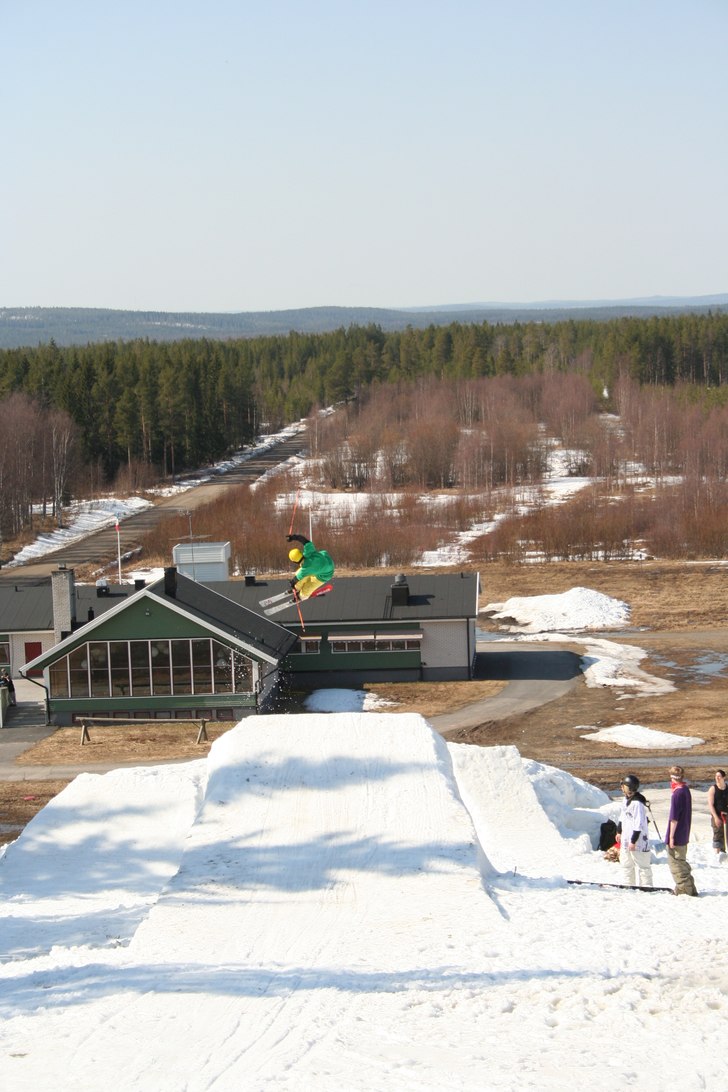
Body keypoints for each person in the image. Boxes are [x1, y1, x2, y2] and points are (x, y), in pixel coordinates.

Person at [666, 765, 699, 896]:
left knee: (676, 864)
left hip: (677, 834)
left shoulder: (677, 794)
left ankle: (685, 889)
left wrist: (671, 837)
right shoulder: (685, 789)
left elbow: (674, 818)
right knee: (682, 862)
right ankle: (689, 887)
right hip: (684, 831)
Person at [617, 774, 653, 888]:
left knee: (643, 865)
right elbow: (622, 817)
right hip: (626, 838)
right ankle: (628, 885)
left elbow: (639, 824)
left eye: (623, 785)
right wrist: (619, 831)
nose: (621, 788)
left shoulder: (637, 803)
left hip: (638, 840)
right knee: (626, 864)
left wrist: (633, 840)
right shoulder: (626, 800)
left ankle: (646, 886)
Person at [286, 534, 335, 601]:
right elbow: (304, 540)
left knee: (306, 589)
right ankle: (297, 587)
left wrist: (292, 584)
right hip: (325, 559)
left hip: (325, 574)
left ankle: (302, 596)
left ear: (295, 562)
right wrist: (293, 537)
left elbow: (297, 578)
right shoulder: (307, 552)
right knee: (300, 575)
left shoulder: (305, 569)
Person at [707, 769, 728, 856]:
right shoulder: (713, 789)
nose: (717, 778)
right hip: (717, 815)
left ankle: (724, 853)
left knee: (726, 835)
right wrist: (715, 817)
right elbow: (710, 804)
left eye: (719, 776)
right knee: (718, 835)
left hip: (726, 815)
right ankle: (717, 855)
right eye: (716, 776)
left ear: (724, 777)